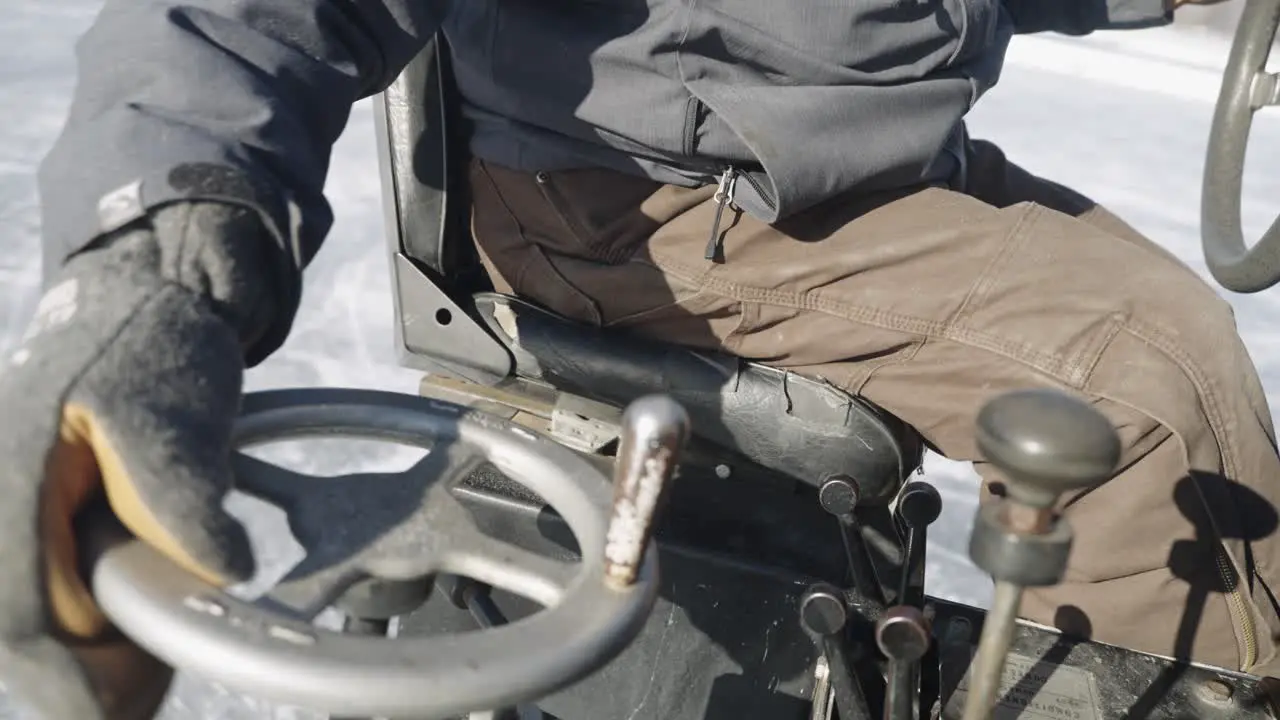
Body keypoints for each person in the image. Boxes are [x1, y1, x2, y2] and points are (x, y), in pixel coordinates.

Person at [0, 0, 1272, 717]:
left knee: (1155, 337)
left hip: (827, 165)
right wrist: (153, 261)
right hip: (638, 197)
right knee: (1150, 382)